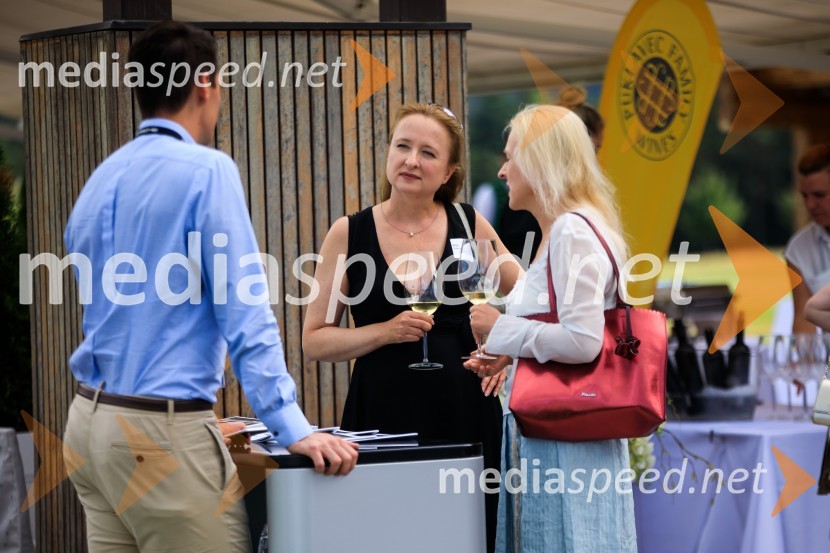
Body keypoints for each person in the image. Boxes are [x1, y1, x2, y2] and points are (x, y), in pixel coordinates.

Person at [62, 21, 358, 553]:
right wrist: (291, 426)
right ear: (205, 82)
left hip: (88, 424)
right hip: (157, 431)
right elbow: (245, 314)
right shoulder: (207, 170)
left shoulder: (101, 177)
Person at [302, 103, 521, 553]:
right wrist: (383, 332)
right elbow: (314, 340)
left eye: (427, 152)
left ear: (448, 172)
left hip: (465, 419)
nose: (411, 160)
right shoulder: (349, 233)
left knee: (469, 538)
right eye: (402, 146)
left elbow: (530, 295)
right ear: (387, 153)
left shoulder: (468, 223)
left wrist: (508, 349)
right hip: (381, 419)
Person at [464, 105, 637, 552]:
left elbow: (582, 341)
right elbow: (565, 326)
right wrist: (510, 352)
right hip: (562, 435)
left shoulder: (570, 232)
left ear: (541, 161)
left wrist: (501, 329)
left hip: (565, 441)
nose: (502, 171)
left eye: (510, 157)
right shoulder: (569, 228)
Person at [785, 144, 830, 332]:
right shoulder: (798, 248)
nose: (810, 204)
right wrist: (806, 359)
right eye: (805, 196)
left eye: (819, 195)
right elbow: (803, 320)